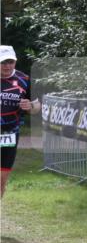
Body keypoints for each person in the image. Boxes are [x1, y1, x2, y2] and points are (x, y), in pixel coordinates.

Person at [1, 45, 40, 198]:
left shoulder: (24, 80)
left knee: (1, 181)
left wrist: (30, 106)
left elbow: (37, 107)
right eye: (3, 62)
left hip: (9, 134)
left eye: (10, 62)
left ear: (15, 62)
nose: (7, 66)